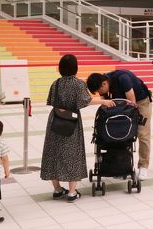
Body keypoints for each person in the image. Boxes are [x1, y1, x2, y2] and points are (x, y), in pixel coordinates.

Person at [40, 55, 115, 203]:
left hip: (55, 120)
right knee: (72, 153)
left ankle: (57, 189)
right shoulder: (78, 84)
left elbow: (51, 101)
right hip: (71, 122)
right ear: (76, 68)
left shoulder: (56, 83)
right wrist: (104, 101)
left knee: (53, 152)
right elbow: (85, 101)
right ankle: (72, 192)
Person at [86, 69, 152, 180]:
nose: (100, 93)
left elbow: (132, 104)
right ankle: (121, 164)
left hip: (140, 101)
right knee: (121, 130)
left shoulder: (122, 78)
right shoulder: (104, 85)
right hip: (124, 102)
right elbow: (106, 103)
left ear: (104, 83)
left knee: (143, 133)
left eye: (99, 90)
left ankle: (143, 167)